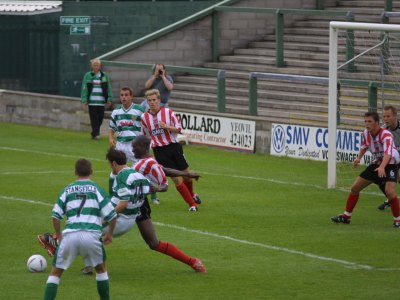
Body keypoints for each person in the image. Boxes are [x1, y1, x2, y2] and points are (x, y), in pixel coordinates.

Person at [39, 149, 206, 275]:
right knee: (154, 243)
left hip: (121, 220)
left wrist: (107, 218)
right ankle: (193, 262)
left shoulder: (121, 177)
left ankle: (58, 244)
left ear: (113, 163)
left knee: (84, 226)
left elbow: (123, 202)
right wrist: (164, 186)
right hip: (133, 217)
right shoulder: (139, 175)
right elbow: (157, 187)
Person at [42, 159, 117, 300]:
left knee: (55, 273)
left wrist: (58, 235)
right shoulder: (97, 189)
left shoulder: (66, 190)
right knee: (101, 270)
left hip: (70, 235)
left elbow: (55, 216)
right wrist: (110, 235)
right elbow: (112, 216)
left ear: (75, 172)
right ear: (91, 172)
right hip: (92, 235)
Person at [331, 111, 400, 228]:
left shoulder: (386, 134)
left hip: (391, 163)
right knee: (355, 188)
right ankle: (346, 216)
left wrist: (382, 167)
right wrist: (358, 158)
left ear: (377, 123)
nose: (367, 124)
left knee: (389, 191)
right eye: (365, 121)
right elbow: (364, 147)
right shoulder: (366, 133)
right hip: (377, 163)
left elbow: (388, 153)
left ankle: (398, 221)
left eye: (370, 122)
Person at [141, 89, 201, 212]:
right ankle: (192, 205)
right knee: (177, 179)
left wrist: (166, 126)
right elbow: (145, 135)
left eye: (154, 100)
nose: (152, 103)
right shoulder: (144, 117)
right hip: (160, 152)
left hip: (174, 147)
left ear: (159, 100)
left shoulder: (168, 112)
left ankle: (192, 195)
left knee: (187, 177)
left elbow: (179, 129)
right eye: (149, 101)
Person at [109, 87, 145, 164]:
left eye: (126, 95)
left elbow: (147, 125)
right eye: (121, 95)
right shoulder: (116, 111)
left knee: (139, 169)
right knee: (117, 169)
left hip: (135, 144)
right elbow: (112, 128)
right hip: (120, 145)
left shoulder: (139, 110)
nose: (123, 97)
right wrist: (111, 138)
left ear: (131, 96)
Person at [81, 59, 113, 140]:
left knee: (100, 118)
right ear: (91, 66)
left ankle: (94, 133)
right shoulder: (88, 75)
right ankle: (96, 135)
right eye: (94, 65)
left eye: (97, 65)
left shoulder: (104, 76)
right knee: (94, 119)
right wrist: (84, 99)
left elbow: (108, 87)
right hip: (92, 102)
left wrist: (109, 98)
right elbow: (84, 88)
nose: (96, 66)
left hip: (101, 102)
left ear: (100, 66)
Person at [377, 105, 400, 210]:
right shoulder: (382, 130)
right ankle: (390, 199)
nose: (385, 119)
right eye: (384, 116)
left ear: (395, 116)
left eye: (388, 116)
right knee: (381, 177)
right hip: (392, 158)